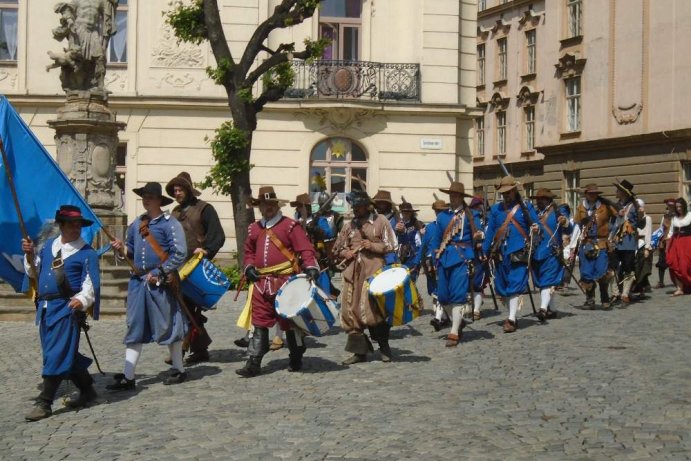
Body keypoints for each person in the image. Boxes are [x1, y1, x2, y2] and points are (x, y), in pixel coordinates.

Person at [21, 205, 101, 421]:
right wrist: (29, 255)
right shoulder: (48, 247)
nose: (77, 229)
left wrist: (82, 299)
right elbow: (34, 271)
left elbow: (91, 283)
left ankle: (44, 402)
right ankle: (87, 389)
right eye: (72, 225)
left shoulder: (87, 253)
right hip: (46, 309)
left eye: (79, 225)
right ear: (62, 226)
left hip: (67, 309)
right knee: (62, 352)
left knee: (56, 353)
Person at [108, 182, 188, 391]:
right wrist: (121, 248)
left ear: (159, 200)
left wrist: (160, 272)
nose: (146, 199)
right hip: (138, 283)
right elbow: (131, 251)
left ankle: (179, 369)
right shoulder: (137, 224)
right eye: (144, 196)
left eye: (150, 197)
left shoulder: (170, 224)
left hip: (161, 283)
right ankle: (128, 376)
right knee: (134, 326)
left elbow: (180, 253)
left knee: (169, 324)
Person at [237, 186, 320, 377]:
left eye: (271, 204)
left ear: (276, 205)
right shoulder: (254, 228)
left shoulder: (290, 226)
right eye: (264, 204)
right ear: (259, 206)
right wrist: (249, 267)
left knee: (290, 321)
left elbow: (305, 249)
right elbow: (248, 252)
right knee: (259, 321)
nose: (268, 207)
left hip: (286, 280)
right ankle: (253, 362)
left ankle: (296, 356)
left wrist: (311, 267)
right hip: (261, 282)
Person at [165, 172, 225, 365]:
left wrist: (206, 250)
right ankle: (201, 349)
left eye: (180, 189)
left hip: (196, 268)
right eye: (175, 190)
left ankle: (181, 351)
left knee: (187, 308)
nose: (177, 192)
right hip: (178, 267)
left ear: (189, 190)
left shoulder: (205, 209)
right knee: (183, 308)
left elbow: (218, 235)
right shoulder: (174, 212)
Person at [333, 190, 398, 364]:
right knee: (350, 312)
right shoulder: (349, 226)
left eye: (358, 206)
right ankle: (359, 352)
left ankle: (384, 348)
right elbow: (337, 248)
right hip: (353, 274)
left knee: (374, 312)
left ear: (366, 206)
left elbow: (392, 245)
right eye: (353, 206)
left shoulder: (381, 221)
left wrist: (372, 245)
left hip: (374, 274)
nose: (355, 210)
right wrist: (346, 253)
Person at [481, 176, 538, 333]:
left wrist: (535, 227)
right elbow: (491, 231)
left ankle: (511, 318)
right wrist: (485, 251)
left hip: (519, 250)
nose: (506, 195)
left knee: (514, 283)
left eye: (508, 192)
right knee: (502, 286)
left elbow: (536, 223)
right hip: (500, 252)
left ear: (514, 191)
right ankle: (511, 313)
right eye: (503, 193)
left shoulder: (525, 207)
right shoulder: (495, 210)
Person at [429, 182, 483, 346]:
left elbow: (479, 232)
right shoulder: (443, 216)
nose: (453, 198)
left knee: (458, 295)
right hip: (444, 258)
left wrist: (479, 236)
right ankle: (458, 322)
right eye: (451, 195)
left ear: (461, 197)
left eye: (456, 195)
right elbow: (437, 239)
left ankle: (453, 332)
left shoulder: (471, 215)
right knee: (443, 296)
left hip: (462, 257)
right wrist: (434, 257)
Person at [573, 184, 618, 309]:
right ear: (586, 194)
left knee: (602, 272)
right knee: (586, 272)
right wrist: (573, 245)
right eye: (590, 193)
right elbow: (577, 226)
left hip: (602, 243)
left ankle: (605, 299)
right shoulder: (581, 207)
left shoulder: (605, 206)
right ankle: (590, 300)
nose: (592, 195)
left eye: (594, 193)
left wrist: (612, 233)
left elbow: (618, 217)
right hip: (586, 243)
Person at [529, 189, 572, 320]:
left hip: (552, 252)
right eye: (537, 198)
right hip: (536, 252)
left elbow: (569, 228)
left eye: (542, 198)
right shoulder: (534, 213)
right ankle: (552, 309)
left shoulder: (558, 211)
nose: (539, 201)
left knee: (547, 282)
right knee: (542, 282)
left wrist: (564, 221)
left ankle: (542, 309)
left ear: (548, 199)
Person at [418, 200, 449, 331]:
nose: (439, 214)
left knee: (441, 289)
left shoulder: (451, 225)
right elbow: (423, 246)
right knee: (434, 289)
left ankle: (438, 317)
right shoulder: (430, 227)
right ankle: (444, 317)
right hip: (432, 263)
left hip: (447, 260)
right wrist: (417, 261)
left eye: (441, 211)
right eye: (437, 211)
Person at [609, 180, 639, 305]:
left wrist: (626, 219)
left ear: (623, 193)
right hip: (616, 241)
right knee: (612, 267)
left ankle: (625, 293)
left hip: (628, 241)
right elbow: (611, 224)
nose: (616, 192)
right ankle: (615, 293)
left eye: (618, 190)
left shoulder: (634, 206)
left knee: (628, 267)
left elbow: (638, 223)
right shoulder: (615, 206)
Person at [468, 195, 488, 321]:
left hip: (474, 252)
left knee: (475, 282)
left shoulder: (480, 217)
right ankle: (475, 309)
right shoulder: (476, 217)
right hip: (475, 252)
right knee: (477, 282)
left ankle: (475, 309)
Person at [665, 197, 691, 296]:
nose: (679, 209)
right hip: (676, 243)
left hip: (688, 242)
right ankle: (679, 288)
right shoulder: (674, 218)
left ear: (684, 206)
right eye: (677, 207)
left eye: (680, 207)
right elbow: (671, 232)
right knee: (675, 265)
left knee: (686, 265)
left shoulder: (690, 215)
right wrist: (667, 243)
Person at [395, 201, 424, 278]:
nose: (406, 214)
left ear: (411, 213)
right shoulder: (397, 223)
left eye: (408, 212)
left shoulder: (417, 224)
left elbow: (419, 243)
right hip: (399, 257)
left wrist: (418, 260)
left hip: (412, 257)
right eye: (404, 212)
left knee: (411, 282)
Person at [372, 189, 399, 265]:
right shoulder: (373, 218)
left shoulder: (395, 219)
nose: (378, 205)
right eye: (377, 203)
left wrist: (402, 230)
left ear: (387, 204)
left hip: (389, 255)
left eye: (381, 203)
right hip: (375, 254)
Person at [632, 198, 653, 298]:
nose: (639, 209)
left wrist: (647, 248)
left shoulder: (647, 218)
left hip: (643, 243)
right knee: (634, 267)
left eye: (640, 207)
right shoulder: (633, 219)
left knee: (641, 268)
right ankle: (637, 288)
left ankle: (641, 290)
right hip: (634, 244)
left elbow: (648, 233)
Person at [654, 198, 677, 288]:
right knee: (661, 261)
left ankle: (677, 280)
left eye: (671, 206)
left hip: (674, 240)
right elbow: (661, 228)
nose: (669, 207)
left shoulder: (678, 217)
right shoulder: (665, 216)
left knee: (674, 261)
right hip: (664, 240)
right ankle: (661, 281)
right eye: (668, 206)